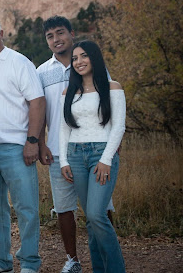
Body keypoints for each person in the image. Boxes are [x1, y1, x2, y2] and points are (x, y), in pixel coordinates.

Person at [37, 15, 115, 273]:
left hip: (94, 147)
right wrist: (40, 143)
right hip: (58, 151)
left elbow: (109, 102)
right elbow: (38, 110)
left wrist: (111, 146)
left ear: (71, 33)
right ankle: (73, 260)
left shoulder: (91, 64)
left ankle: (106, 257)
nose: (56, 39)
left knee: (101, 208)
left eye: (60, 33)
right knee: (63, 207)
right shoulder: (41, 72)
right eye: (50, 36)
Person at [0, 16, 45, 273]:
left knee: (26, 207)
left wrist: (32, 141)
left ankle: (30, 262)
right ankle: (1, 261)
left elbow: (37, 101)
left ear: (1, 32)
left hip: (16, 147)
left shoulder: (18, 61)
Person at [59, 41, 126, 272]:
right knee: (90, 219)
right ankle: (99, 268)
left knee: (97, 214)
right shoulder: (69, 92)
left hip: (101, 154)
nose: (79, 61)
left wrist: (106, 159)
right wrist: (64, 161)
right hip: (75, 156)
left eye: (84, 56)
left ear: (94, 58)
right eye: (75, 58)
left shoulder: (113, 87)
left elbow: (118, 127)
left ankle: (116, 269)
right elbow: (63, 128)